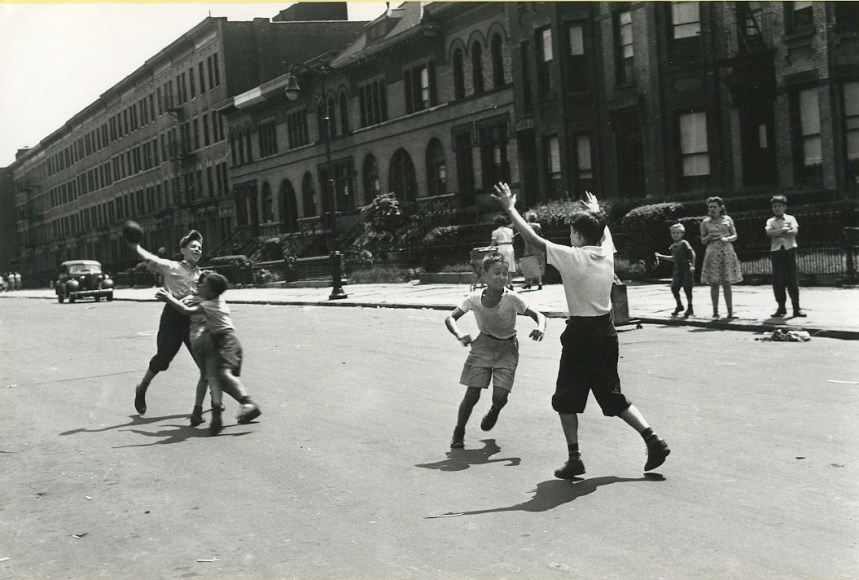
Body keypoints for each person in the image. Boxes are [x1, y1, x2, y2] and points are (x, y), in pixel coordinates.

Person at [491, 182, 670, 476]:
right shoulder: (606, 254)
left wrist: (510, 208)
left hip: (581, 335)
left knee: (565, 398)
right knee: (612, 394)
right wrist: (597, 212)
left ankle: (575, 458)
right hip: (606, 332)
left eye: (573, 231)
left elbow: (533, 239)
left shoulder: (572, 257)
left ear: (577, 235)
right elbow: (603, 233)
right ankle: (653, 439)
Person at [444, 252, 546, 449]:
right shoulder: (473, 298)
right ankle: (459, 431)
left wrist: (540, 327)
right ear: (484, 275)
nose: (501, 277)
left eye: (505, 273)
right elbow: (450, 318)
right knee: (472, 394)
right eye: (496, 273)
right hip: (483, 346)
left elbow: (538, 315)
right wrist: (459, 334)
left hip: (507, 348)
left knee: (500, 396)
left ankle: (495, 409)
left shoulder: (512, 298)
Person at [156, 272, 261, 435]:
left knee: (222, 375)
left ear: (211, 291)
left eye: (202, 285)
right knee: (213, 376)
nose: (199, 286)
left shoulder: (208, 305)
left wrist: (169, 298)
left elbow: (185, 310)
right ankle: (216, 414)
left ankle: (246, 402)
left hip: (225, 341)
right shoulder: (214, 300)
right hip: (219, 341)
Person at [127, 229, 203, 415]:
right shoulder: (171, 267)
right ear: (183, 250)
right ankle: (142, 387)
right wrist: (136, 246)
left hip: (192, 318)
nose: (197, 250)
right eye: (193, 247)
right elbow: (150, 259)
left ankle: (213, 400)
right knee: (163, 359)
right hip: (173, 318)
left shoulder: (200, 273)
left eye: (200, 248)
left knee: (204, 359)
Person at [699, 197, 743, 319]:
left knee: (727, 282)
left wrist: (727, 238)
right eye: (710, 207)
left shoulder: (727, 219)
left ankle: (730, 311)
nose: (712, 209)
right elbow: (702, 240)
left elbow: (735, 235)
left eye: (714, 207)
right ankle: (715, 311)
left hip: (726, 251)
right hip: (712, 253)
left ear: (720, 208)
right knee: (714, 283)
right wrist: (708, 237)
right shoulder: (705, 222)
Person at [765, 195, 806, 318]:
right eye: (774, 206)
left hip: (789, 250)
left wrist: (777, 233)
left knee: (792, 279)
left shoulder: (791, 218)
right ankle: (781, 308)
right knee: (778, 280)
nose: (777, 208)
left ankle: (796, 308)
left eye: (779, 206)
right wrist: (783, 229)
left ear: (784, 207)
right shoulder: (770, 221)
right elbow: (769, 233)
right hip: (777, 251)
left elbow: (794, 232)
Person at [654, 223, 696, 317]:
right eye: (673, 233)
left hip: (686, 267)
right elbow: (673, 258)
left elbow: (692, 253)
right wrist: (661, 256)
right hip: (677, 268)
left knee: (687, 287)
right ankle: (679, 305)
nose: (675, 234)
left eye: (677, 232)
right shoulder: (673, 246)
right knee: (674, 287)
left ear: (682, 234)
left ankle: (690, 307)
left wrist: (692, 265)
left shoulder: (684, 243)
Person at [490, 215, 516, 289]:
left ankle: (505, 284)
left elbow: (493, 243)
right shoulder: (510, 230)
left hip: (501, 247)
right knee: (510, 266)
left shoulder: (495, 232)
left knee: (502, 266)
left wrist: (489, 248)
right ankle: (511, 283)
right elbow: (512, 241)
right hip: (510, 248)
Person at [520, 212, 545, 290]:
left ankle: (528, 282)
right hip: (538, 246)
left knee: (528, 263)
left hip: (529, 245)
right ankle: (540, 282)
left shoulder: (526, 225)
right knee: (539, 264)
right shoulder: (538, 226)